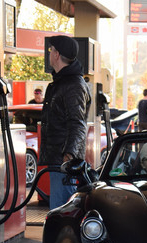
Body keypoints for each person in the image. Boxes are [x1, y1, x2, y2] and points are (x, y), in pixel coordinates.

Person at [39, 35, 91, 209]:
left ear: (56, 54)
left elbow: (77, 124)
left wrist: (68, 157)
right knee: (59, 210)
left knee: (63, 212)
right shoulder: (63, 82)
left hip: (64, 163)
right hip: (59, 160)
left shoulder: (73, 85)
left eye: (50, 50)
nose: (49, 54)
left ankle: (63, 238)